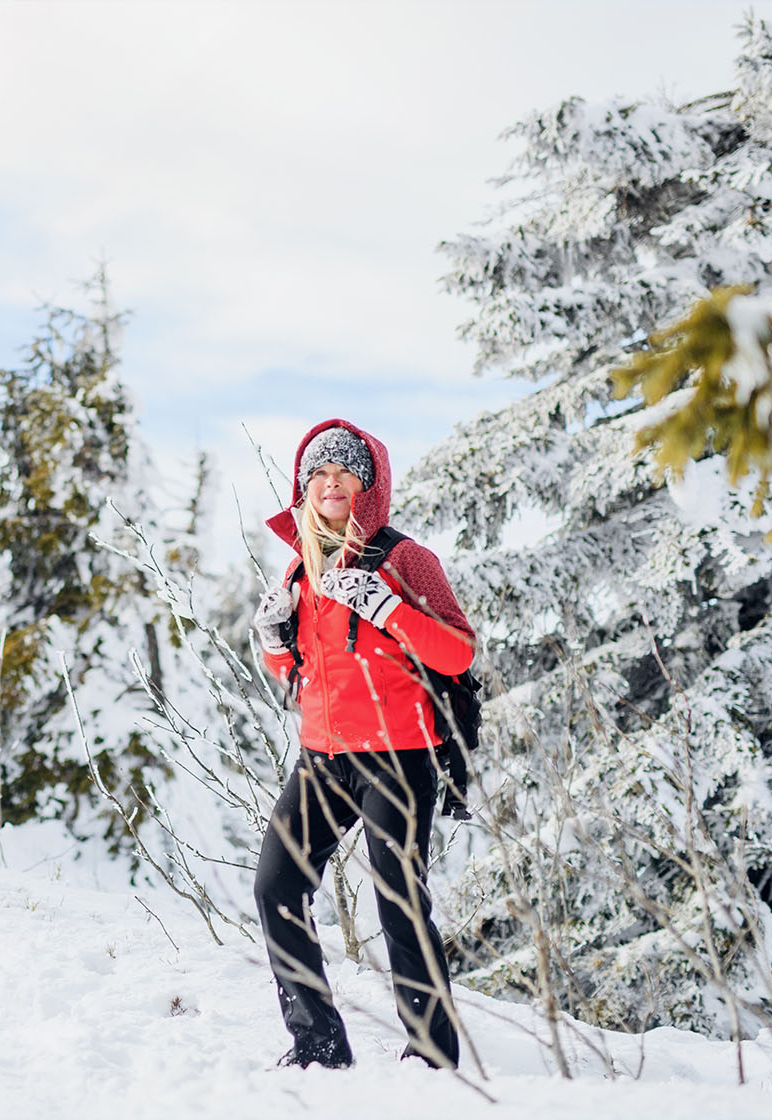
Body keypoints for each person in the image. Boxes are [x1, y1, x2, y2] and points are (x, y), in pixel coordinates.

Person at [250, 418, 476, 1070]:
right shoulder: (303, 567)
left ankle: (432, 1054)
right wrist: (272, 644)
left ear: (368, 485)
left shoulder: (407, 561)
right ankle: (318, 1045)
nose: (330, 482)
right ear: (305, 485)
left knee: (400, 904)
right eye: (318, 473)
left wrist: (388, 609)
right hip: (322, 758)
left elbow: (456, 654)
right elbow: (305, 674)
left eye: (344, 471)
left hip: (399, 759)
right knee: (276, 888)